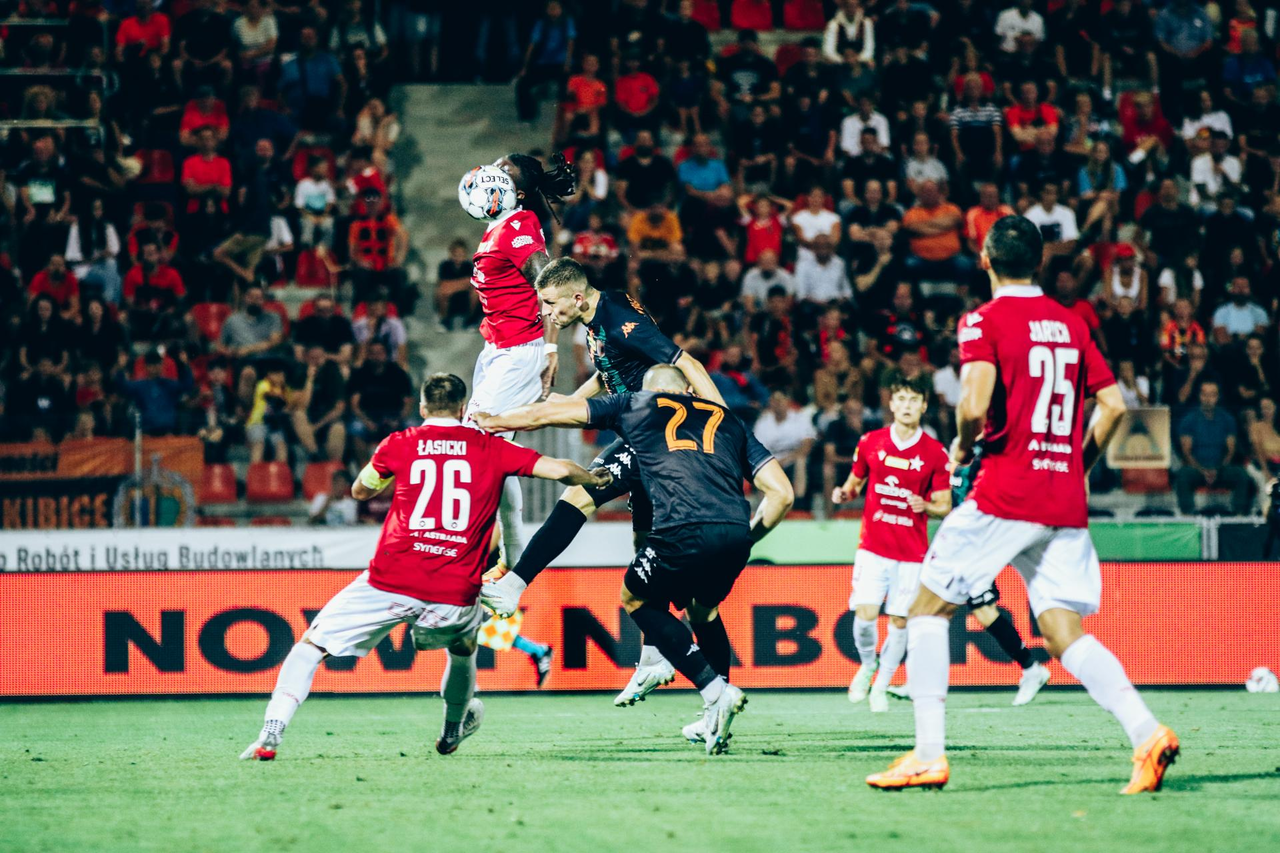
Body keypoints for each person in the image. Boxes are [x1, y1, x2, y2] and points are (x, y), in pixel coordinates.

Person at [866, 216, 1178, 793]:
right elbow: (1113, 407)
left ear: (985, 260)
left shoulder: (983, 321)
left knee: (926, 609)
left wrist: (963, 445)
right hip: (1062, 497)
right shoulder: (1072, 323)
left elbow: (973, 402)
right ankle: (1147, 733)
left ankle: (928, 755)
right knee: (1062, 631)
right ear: (1039, 263)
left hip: (1006, 490)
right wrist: (1077, 467)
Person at [240, 373, 611, 761]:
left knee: (310, 648)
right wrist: (592, 477)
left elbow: (360, 490)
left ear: (422, 408)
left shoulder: (400, 443)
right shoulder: (492, 448)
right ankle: (452, 729)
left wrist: (385, 479)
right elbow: (560, 469)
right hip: (454, 588)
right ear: (463, 409)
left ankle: (271, 733)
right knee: (464, 648)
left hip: (390, 578)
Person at [473, 365, 794, 755]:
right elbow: (783, 495)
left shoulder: (638, 403)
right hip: (734, 531)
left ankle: (711, 688)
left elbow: (554, 413)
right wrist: (748, 538)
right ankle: (707, 707)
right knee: (703, 611)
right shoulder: (728, 420)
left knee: (634, 595)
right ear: (688, 391)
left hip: (681, 526)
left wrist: (494, 421)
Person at [478, 257, 726, 705]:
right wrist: (572, 401)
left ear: (576, 297)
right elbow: (608, 370)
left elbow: (684, 361)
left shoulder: (622, 322)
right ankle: (659, 661)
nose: (546, 313)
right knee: (647, 550)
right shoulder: (599, 315)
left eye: (550, 304)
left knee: (580, 496)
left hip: (655, 434)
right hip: (641, 433)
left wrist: (721, 419)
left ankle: (514, 586)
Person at [466, 152, 576, 569]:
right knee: (494, 454)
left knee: (474, 448)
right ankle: (510, 559)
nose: (494, 171)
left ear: (520, 192)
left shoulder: (517, 228)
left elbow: (552, 284)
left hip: (519, 354)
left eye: (505, 170)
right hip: (496, 351)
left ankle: (475, 556)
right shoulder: (499, 225)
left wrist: (551, 349)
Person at [831, 374, 952, 712]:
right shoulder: (871, 442)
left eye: (914, 400)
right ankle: (868, 665)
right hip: (873, 546)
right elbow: (855, 482)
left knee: (899, 621)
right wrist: (844, 493)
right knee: (865, 615)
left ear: (924, 406)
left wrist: (926, 505)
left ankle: (882, 685)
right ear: (892, 404)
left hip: (911, 552)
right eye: (901, 399)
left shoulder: (935, 453)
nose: (907, 406)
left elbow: (945, 505)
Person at [1175, 380, 1251, 516]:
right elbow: (1187, 452)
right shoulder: (1188, 420)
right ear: (1200, 396)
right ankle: (1188, 515)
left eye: (1212, 395)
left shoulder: (1227, 419)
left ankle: (1239, 516)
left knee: (1241, 474)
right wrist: (1203, 470)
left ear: (1217, 397)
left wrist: (1217, 470)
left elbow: (1230, 450)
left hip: (1220, 469)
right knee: (1183, 475)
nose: (1208, 399)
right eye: (1205, 394)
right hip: (1197, 469)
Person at [753, 391, 816, 504]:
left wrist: (786, 459)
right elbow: (757, 449)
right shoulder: (763, 421)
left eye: (781, 400)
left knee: (800, 461)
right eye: (774, 400)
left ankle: (799, 503)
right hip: (771, 460)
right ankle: (764, 507)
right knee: (760, 467)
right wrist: (772, 462)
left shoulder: (800, 417)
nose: (778, 403)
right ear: (770, 403)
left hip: (792, 459)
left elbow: (806, 446)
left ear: (788, 401)